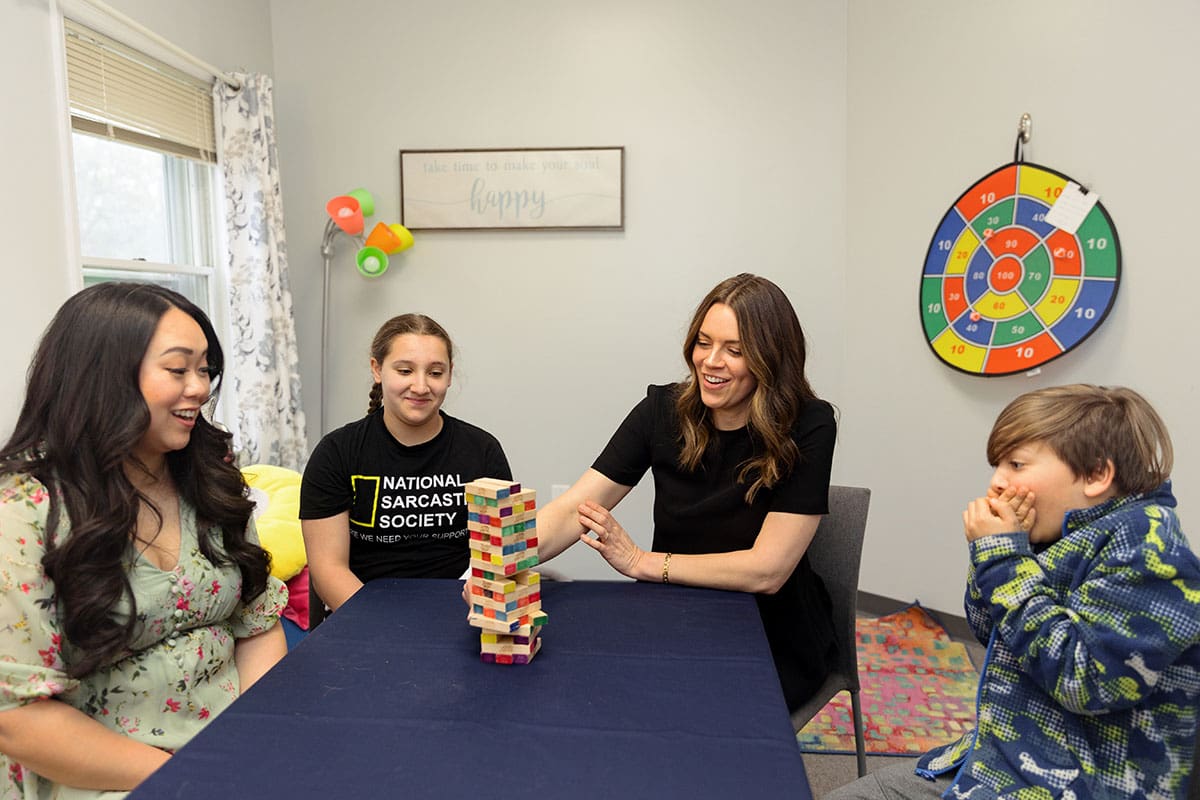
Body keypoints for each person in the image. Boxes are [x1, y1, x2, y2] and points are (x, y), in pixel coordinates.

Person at [828, 384, 1200, 800]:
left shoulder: (1151, 553)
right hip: (1002, 758)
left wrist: (1003, 558)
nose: (998, 482)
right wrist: (993, 556)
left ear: (1096, 475)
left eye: (1016, 464)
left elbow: (1087, 683)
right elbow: (992, 631)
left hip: (1077, 785)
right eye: (998, 464)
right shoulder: (1065, 531)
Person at [0, 282, 288, 799]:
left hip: (235, 754)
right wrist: (192, 777)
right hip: (103, 777)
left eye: (204, 370)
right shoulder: (24, 511)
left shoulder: (211, 480)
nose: (199, 388)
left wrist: (255, 739)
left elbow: (257, 623)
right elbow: (17, 717)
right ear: (102, 378)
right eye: (178, 370)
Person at [536, 273, 838, 711]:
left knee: (682, 713)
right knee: (595, 692)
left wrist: (642, 562)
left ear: (771, 359)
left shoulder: (809, 424)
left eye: (735, 350)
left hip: (770, 632)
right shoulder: (661, 409)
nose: (710, 361)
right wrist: (498, 563)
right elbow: (573, 508)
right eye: (703, 342)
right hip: (673, 610)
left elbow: (768, 571)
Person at [301, 314, 511, 614]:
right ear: (377, 369)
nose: (421, 386)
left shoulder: (483, 451)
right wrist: (384, 630)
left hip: (460, 613)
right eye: (405, 370)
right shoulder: (336, 453)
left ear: (450, 375)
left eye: (435, 373)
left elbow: (498, 557)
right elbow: (328, 570)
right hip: (363, 616)